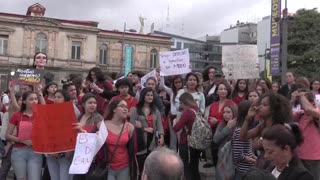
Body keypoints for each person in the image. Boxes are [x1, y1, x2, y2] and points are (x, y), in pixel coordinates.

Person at [6, 91, 43, 180]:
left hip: (35, 152)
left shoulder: (41, 115)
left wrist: (40, 93)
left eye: (36, 99)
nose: (34, 101)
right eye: (31, 99)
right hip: (19, 152)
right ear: (24, 101)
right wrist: (22, 140)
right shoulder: (17, 115)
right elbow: (7, 135)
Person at [130, 87, 164, 178]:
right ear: (143, 96)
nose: (150, 97)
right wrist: (144, 129)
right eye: (148, 95)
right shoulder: (135, 110)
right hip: (140, 141)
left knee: (150, 166)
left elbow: (159, 125)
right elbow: (131, 125)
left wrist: (161, 136)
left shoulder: (155, 110)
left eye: (151, 95)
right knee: (141, 166)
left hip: (152, 141)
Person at [102, 99, 136, 180]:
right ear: (114, 109)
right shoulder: (103, 125)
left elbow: (133, 149)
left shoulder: (129, 127)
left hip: (124, 166)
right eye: (122, 106)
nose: (126, 109)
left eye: (127, 107)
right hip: (108, 167)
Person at [291, 89, 320, 180]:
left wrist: (301, 95)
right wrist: (292, 100)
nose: (302, 104)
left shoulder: (317, 113)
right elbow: (286, 116)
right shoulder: (300, 114)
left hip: (313, 157)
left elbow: (309, 109)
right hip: (298, 154)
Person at [46, 90, 74, 180]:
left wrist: (69, 149)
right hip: (51, 153)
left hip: (65, 153)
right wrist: (51, 150)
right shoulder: (48, 114)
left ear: (65, 100)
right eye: (55, 97)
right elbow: (45, 133)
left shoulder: (71, 113)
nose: (56, 99)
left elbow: (73, 133)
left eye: (59, 97)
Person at [172, 92, 201, 180]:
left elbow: (176, 128)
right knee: (195, 167)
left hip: (187, 142)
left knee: (186, 167)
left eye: (181, 103)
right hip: (196, 142)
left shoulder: (187, 112)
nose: (180, 105)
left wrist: (174, 122)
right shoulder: (196, 109)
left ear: (185, 102)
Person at [206, 81, 235, 167]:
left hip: (226, 134)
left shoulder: (232, 104)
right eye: (220, 89)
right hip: (213, 133)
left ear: (228, 91)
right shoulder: (213, 105)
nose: (223, 91)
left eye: (225, 89)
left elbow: (233, 120)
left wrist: (217, 122)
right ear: (217, 91)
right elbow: (209, 117)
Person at [232, 101, 256, 180]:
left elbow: (247, 150)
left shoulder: (247, 128)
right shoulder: (240, 130)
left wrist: (253, 156)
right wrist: (252, 160)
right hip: (243, 170)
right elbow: (238, 155)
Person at [159, 75, 184, 151]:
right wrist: (162, 75)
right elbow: (162, 86)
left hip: (181, 117)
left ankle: (181, 155)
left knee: (181, 138)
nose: (178, 84)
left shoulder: (185, 91)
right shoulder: (171, 91)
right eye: (176, 82)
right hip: (172, 116)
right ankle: (173, 156)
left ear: (182, 83)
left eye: (179, 82)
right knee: (173, 138)